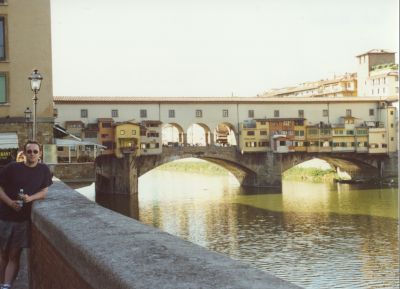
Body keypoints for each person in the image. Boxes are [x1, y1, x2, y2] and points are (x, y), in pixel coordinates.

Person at [0, 140, 53, 289]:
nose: (32, 154)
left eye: (35, 151)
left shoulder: (43, 170)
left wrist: (30, 198)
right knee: (3, 254)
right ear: (24, 153)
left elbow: (44, 192)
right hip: (4, 217)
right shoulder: (12, 168)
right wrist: (10, 203)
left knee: (14, 255)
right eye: (29, 151)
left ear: (40, 153)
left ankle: (6, 285)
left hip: (22, 220)